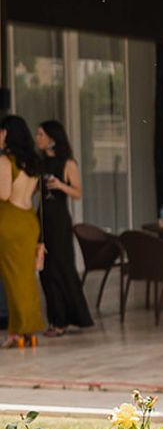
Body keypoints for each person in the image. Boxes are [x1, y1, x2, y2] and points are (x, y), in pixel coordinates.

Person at [34, 121, 93, 335]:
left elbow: (78, 193)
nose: (37, 138)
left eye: (41, 134)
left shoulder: (67, 163)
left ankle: (66, 319)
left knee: (61, 267)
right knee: (46, 271)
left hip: (59, 220)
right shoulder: (39, 163)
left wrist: (60, 185)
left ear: (52, 138)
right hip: (42, 219)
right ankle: (55, 319)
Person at [0, 115, 44, 346]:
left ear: (7, 134)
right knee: (26, 277)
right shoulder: (33, 161)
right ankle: (29, 330)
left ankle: (17, 331)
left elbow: (4, 194)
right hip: (28, 219)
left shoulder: (7, 161)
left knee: (12, 278)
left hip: (10, 220)